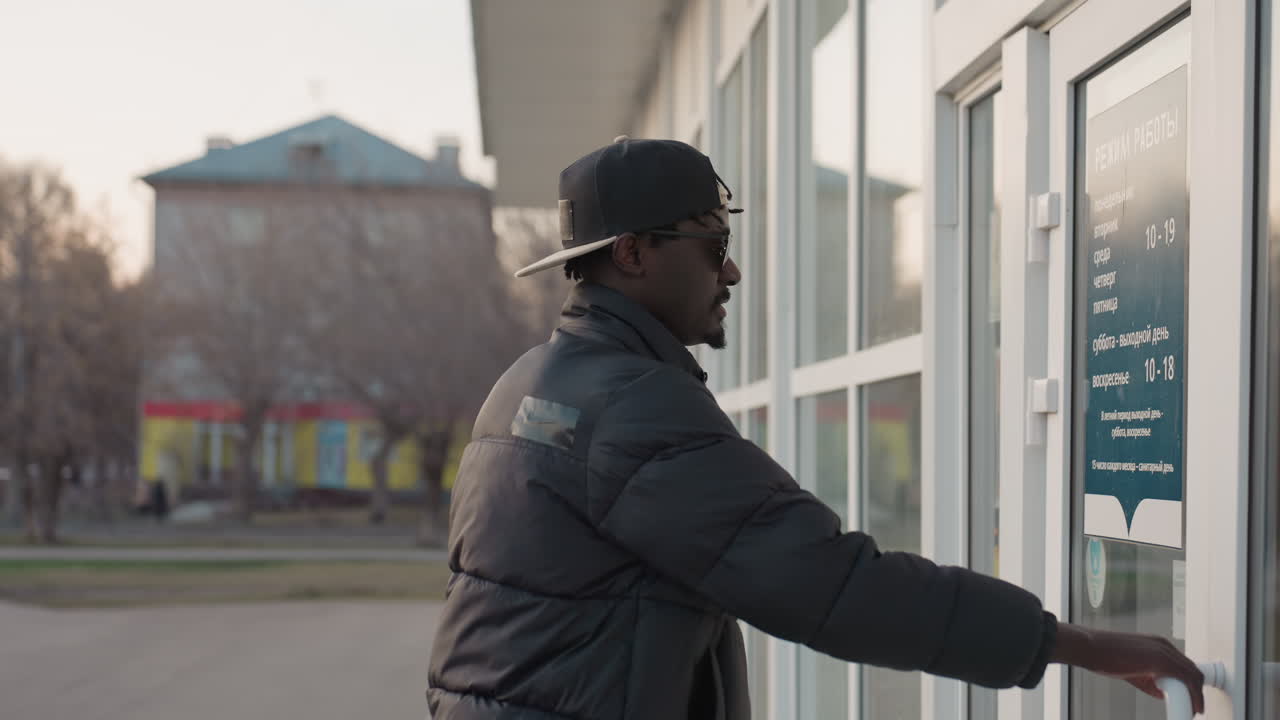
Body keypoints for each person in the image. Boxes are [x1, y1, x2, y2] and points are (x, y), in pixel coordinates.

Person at [426, 137, 1205, 719]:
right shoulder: (632, 407)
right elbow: (836, 587)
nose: (730, 272)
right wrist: (1081, 645)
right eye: (715, 245)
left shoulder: (526, 384)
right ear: (633, 253)